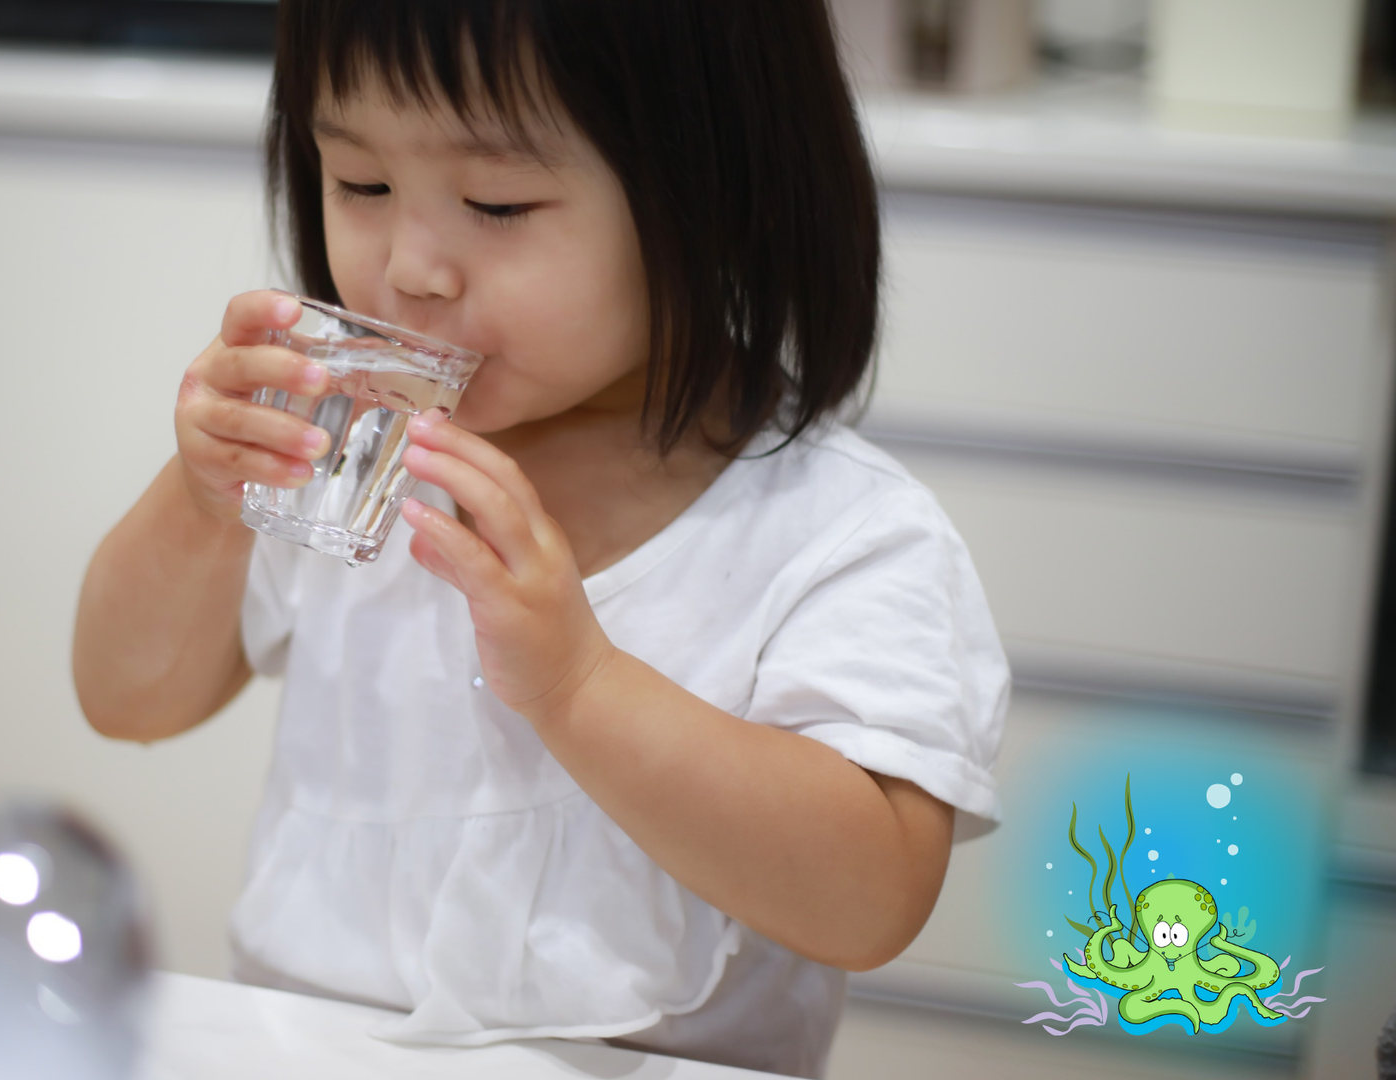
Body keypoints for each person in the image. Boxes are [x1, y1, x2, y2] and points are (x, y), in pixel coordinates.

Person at [72, 1, 1007, 1074]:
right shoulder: (350, 444)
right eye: (360, 184)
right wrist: (199, 500)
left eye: (497, 202)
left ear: (716, 194)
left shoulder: (834, 533)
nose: (413, 268)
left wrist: (579, 684)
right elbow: (125, 696)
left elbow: (870, 898)